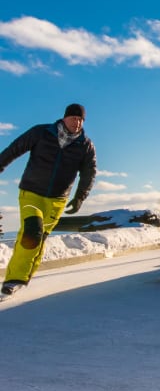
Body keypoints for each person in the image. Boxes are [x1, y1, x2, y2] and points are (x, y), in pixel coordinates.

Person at [0, 104, 96, 297]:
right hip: (31, 192)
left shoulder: (85, 145)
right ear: (65, 118)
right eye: (73, 118)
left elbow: (89, 173)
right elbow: (15, 148)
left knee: (39, 238)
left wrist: (79, 197)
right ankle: (14, 279)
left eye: (81, 120)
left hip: (57, 199)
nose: (77, 123)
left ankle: (23, 275)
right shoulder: (41, 132)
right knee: (32, 232)